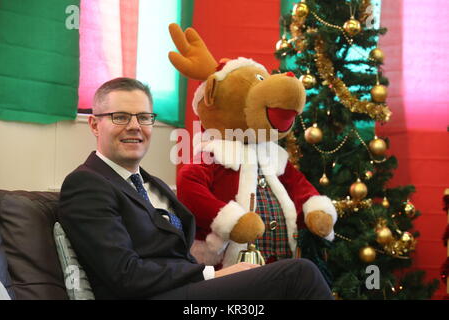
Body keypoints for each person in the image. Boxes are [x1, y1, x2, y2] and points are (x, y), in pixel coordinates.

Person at [58, 77, 334, 300]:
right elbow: (124, 274)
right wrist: (212, 275)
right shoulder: (86, 184)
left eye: (144, 117)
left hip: (188, 291)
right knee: (299, 274)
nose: (134, 127)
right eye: (120, 117)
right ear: (94, 124)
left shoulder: (153, 184)